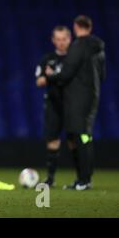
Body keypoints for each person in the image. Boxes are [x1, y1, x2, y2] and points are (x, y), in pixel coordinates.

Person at [44, 15, 106, 190]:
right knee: (84, 137)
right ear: (90, 27)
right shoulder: (99, 47)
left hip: (77, 99)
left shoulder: (78, 46)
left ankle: (84, 180)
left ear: (76, 27)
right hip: (92, 96)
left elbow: (66, 74)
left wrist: (51, 76)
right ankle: (84, 179)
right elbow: (103, 75)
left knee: (80, 138)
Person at [35, 26, 71, 187]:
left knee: (75, 140)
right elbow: (39, 81)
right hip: (53, 104)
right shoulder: (47, 59)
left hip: (72, 105)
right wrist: (50, 77)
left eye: (64, 39)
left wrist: (53, 75)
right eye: (58, 39)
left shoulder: (74, 58)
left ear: (69, 39)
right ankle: (50, 178)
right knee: (52, 140)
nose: (61, 42)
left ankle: (82, 178)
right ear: (53, 40)